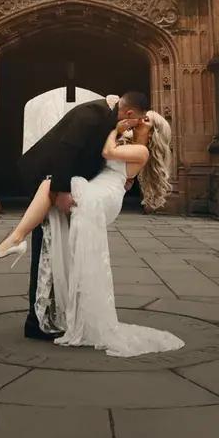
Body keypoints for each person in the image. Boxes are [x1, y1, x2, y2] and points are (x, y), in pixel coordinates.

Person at [0, 91, 147, 340]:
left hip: (76, 187)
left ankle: (58, 313)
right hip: (49, 179)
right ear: (130, 113)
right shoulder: (91, 115)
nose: (137, 124)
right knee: (46, 250)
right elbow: (64, 152)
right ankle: (36, 321)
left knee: (62, 252)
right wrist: (60, 190)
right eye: (139, 119)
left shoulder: (111, 120)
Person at [45, 107, 183, 357]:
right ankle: (80, 317)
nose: (141, 119)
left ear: (152, 130)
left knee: (49, 187)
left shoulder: (140, 150)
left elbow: (108, 152)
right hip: (101, 190)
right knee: (84, 257)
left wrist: (113, 130)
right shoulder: (128, 143)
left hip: (103, 197)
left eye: (147, 120)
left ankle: (16, 238)